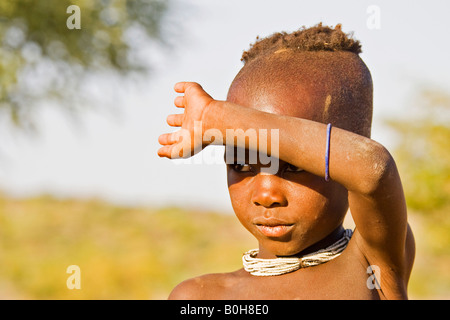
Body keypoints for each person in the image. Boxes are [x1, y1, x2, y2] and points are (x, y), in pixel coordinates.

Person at [157, 23, 415, 300]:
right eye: (241, 166)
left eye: (293, 167)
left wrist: (216, 117)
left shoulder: (372, 263)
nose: (266, 195)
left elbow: (373, 169)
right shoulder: (201, 297)